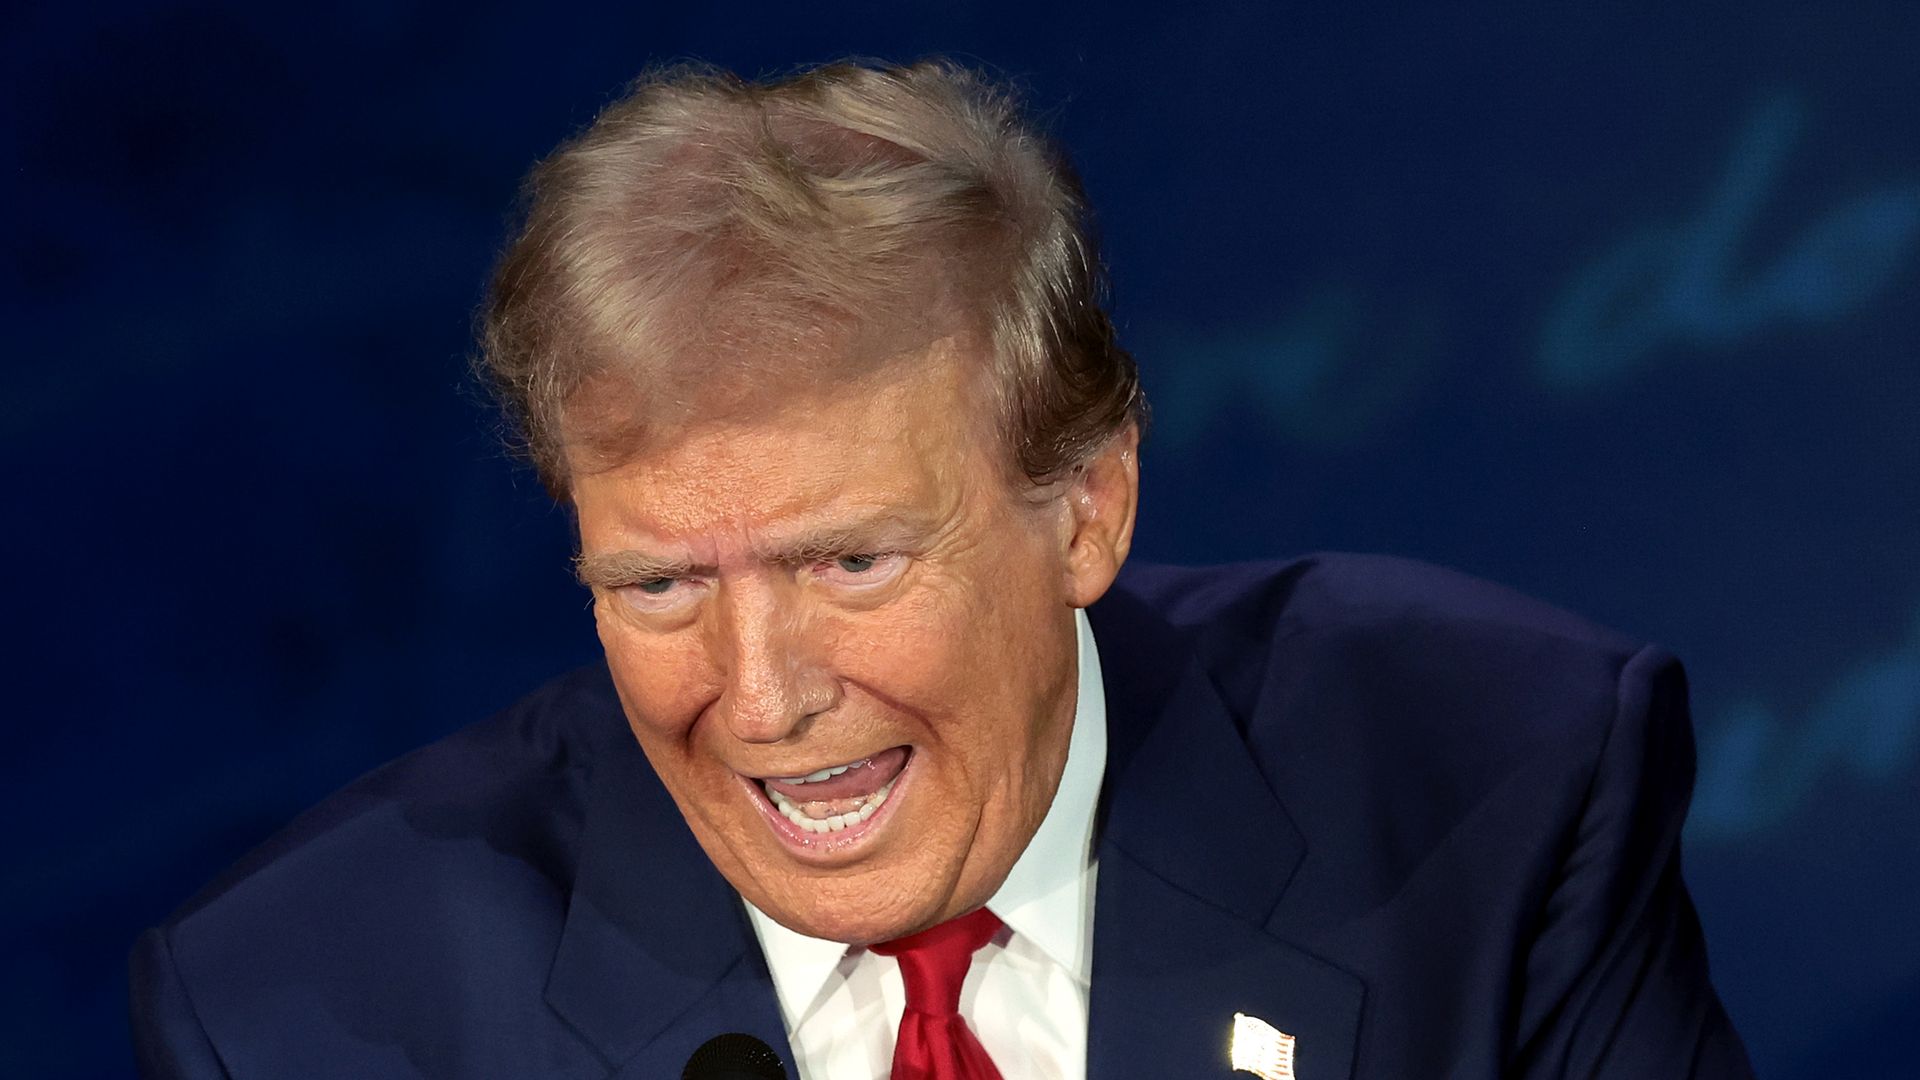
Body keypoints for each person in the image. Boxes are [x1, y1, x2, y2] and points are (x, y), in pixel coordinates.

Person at [130, 59, 1754, 1079]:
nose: (760, 699)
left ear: (1088, 508)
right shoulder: (302, 1011)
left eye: (849, 561)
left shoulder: (1494, 786)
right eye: (660, 587)